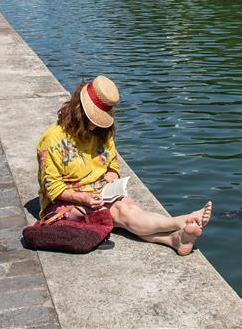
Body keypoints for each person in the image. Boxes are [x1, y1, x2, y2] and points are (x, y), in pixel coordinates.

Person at [36, 76, 211, 256]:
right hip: (66, 201)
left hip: (99, 191)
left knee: (130, 209)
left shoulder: (102, 132)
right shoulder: (53, 139)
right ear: (78, 111)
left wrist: (112, 176)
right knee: (123, 213)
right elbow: (53, 188)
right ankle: (179, 222)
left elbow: (112, 162)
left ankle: (174, 239)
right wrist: (84, 198)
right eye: (92, 119)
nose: (95, 126)